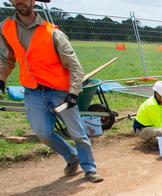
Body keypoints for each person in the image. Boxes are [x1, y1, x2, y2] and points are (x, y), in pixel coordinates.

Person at [0, 0, 103, 182]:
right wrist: (1, 79)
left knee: (77, 133)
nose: (19, 1)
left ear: (33, 1)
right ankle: (72, 157)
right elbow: (6, 59)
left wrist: (73, 92)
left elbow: (74, 66)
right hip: (32, 91)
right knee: (43, 133)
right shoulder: (6, 28)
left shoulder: (53, 33)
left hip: (59, 91)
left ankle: (90, 168)